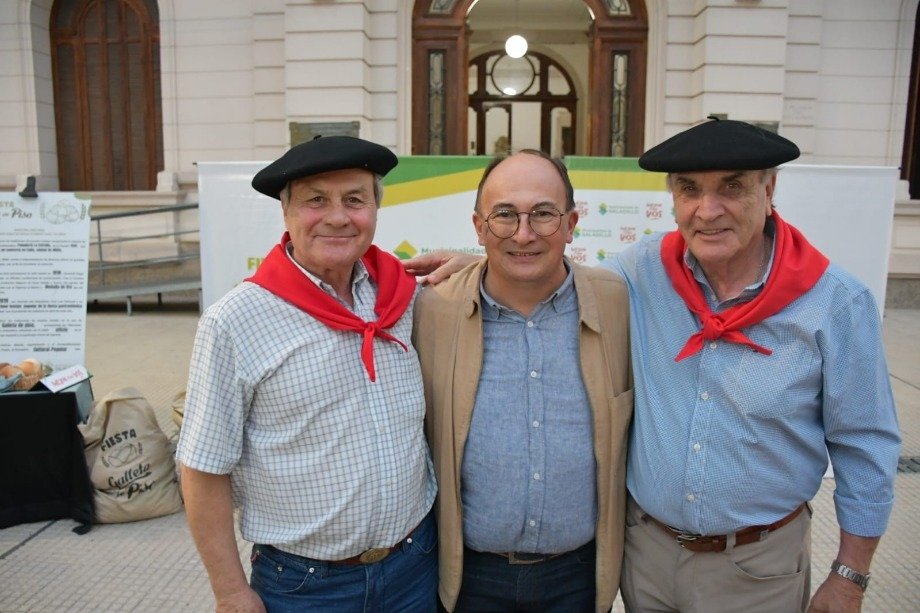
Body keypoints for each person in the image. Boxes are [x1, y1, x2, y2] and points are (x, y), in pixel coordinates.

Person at [406, 118, 901, 613]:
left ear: (769, 190)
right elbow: (540, 267)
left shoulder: (835, 303)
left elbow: (866, 443)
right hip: (648, 563)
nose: (708, 210)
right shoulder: (644, 271)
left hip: (758, 566)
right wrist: (480, 266)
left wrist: (850, 576)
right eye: (690, 190)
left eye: (732, 188)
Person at [176, 136, 438, 612]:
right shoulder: (235, 321)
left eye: (354, 200)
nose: (338, 217)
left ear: (375, 210)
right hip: (306, 586)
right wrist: (230, 591)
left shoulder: (403, 296)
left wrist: (478, 264)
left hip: (414, 567)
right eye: (316, 200)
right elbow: (203, 469)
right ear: (286, 212)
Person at [412, 150, 633, 612]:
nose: (524, 234)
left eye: (544, 214)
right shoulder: (432, 310)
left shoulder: (618, 303)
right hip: (468, 579)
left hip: (578, 578)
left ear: (572, 224)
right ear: (479, 227)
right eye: (505, 215)